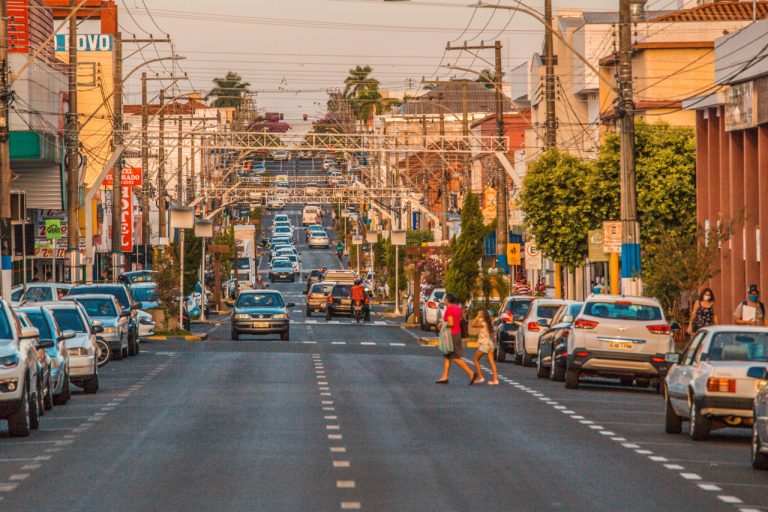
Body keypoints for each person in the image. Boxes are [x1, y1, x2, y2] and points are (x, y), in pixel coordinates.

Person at [435, 293, 475, 384]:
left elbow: (451, 323)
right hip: (457, 333)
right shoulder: (457, 308)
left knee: (455, 356)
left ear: (448, 300)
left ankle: (471, 373)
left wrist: (442, 324)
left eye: (445, 299)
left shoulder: (449, 309)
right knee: (447, 356)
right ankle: (444, 376)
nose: (444, 301)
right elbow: (460, 320)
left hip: (451, 335)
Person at [472, 310, 499, 385]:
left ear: (483, 315)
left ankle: (480, 377)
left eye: (479, 314)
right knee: (492, 362)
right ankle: (495, 379)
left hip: (484, 344)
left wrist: (477, 318)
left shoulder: (483, 323)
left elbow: (473, 324)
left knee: (475, 359)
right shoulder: (489, 323)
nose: (478, 315)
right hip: (490, 344)